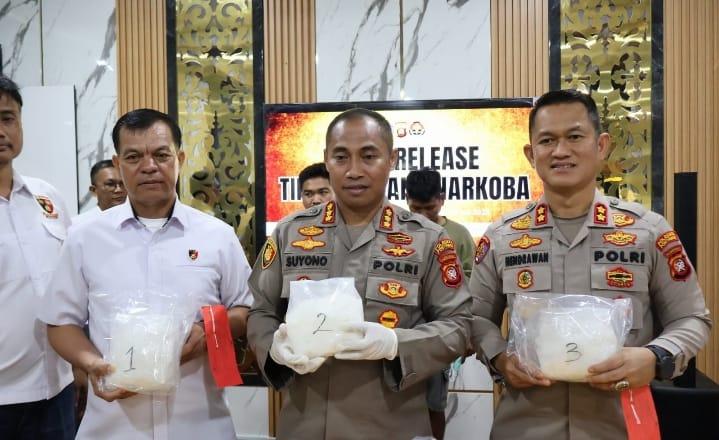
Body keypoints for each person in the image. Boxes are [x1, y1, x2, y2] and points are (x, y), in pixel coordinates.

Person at [470, 89, 712, 439]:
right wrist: (501, 360)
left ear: (601, 146)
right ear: (531, 154)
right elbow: (475, 319)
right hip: (525, 426)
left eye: (574, 137)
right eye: (547, 140)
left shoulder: (648, 231)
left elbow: (691, 318)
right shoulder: (503, 236)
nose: (560, 151)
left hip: (621, 426)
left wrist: (655, 358)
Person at [248, 108, 472, 439]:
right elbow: (260, 311)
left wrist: (395, 344)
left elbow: (459, 326)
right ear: (327, 160)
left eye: (369, 156)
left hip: (392, 426)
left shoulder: (427, 239)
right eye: (341, 157)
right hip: (304, 425)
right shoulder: (289, 233)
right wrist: (273, 348)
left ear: (392, 159)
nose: (354, 171)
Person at [39, 108, 253, 439]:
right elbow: (60, 323)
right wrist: (92, 363)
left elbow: (247, 309)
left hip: (200, 425)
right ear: (118, 163)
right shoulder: (85, 238)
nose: (149, 166)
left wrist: (208, 329)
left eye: (161, 155)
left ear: (180, 159)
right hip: (112, 427)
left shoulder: (217, 236)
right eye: (134, 156)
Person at [0, 74, 75, 439]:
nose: (1, 131)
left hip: (56, 387)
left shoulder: (47, 198)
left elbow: (73, 282)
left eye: (7, 118)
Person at [405, 167, 476, 440]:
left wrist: (465, 334)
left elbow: (472, 283)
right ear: (406, 200)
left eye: (430, 208)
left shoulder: (458, 234)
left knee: (434, 403)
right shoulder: (398, 231)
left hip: (440, 333)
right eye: (416, 209)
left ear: (442, 199)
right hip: (401, 331)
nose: (423, 216)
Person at [73, 160, 127, 225]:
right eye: (110, 184)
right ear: (94, 190)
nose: (119, 190)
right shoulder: (79, 224)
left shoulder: (136, 220)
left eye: (123, 183)